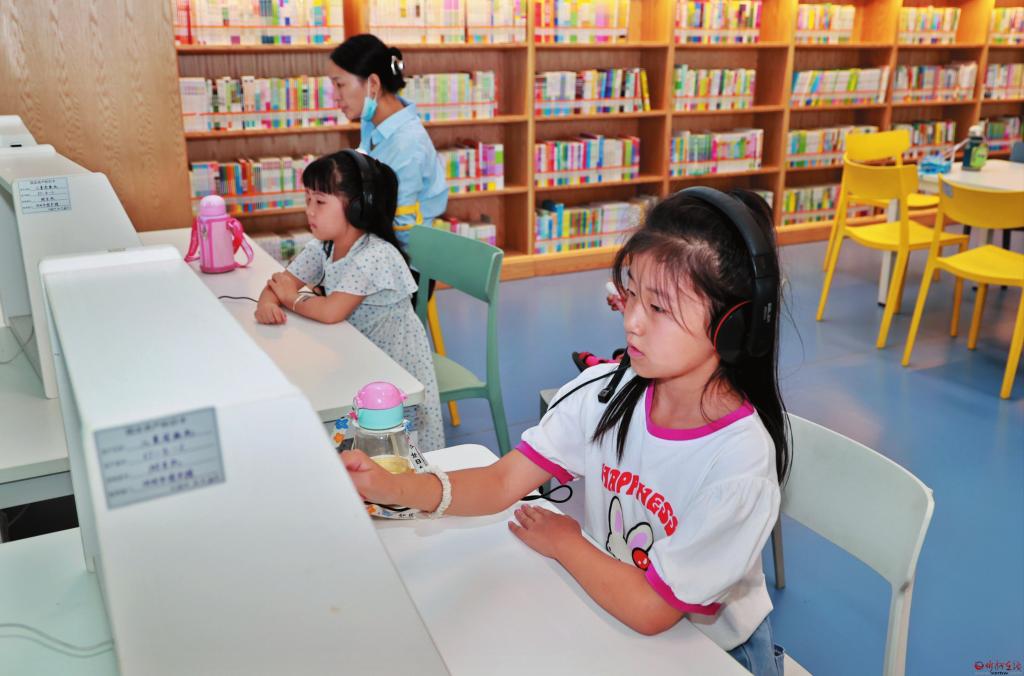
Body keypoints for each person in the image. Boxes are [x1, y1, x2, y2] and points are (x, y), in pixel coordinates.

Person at [342, 188, 790, 675]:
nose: (632, 322)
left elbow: (652, 610)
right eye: (631, 294)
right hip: (616, 610)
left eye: (659, 308)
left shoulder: (739, 464)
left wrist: (565, 542)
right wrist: (394, 488)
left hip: (715, 653)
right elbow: (501, 481)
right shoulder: (607, 391)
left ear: (733, 327)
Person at [254, 150, 445, 453]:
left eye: (320, 202)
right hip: (356, 357)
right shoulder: (324, 247)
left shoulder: (374, 255)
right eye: (307, 199)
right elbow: (281, 282)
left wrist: (290, 298)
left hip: (394, 370)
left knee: (391, 451)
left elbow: (331, 311)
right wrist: (266, 302)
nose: (309, 211)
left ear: (358, 206)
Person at [327, 34, 448, 251]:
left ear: (373, 84)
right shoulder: (371, 120)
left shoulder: (407, 143)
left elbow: (403, 232)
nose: (334, 96)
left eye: (339, 84)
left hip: (402, 259)